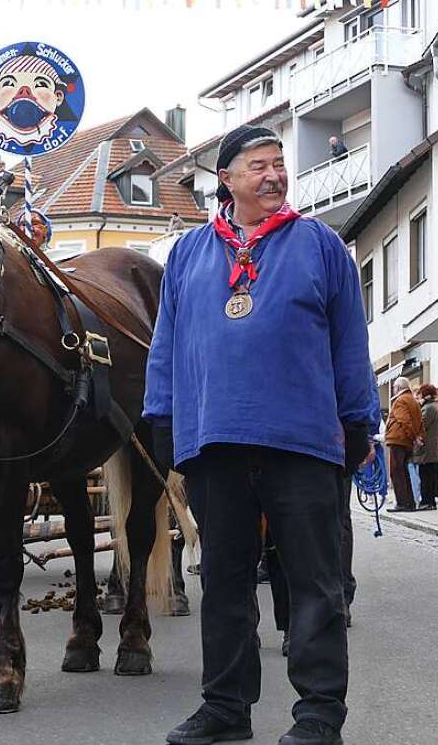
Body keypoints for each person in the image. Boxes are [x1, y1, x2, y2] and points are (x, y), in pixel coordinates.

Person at [145, 125, 374, 745]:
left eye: (279, 165)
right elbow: (166, 345)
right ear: (226, 179)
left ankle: (319, 713)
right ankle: (225, 707)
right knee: (224, 581)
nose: (274, 176)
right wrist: (162, 419)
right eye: (259, 167)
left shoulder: (321, 245)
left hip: (301, 439)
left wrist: (358, 421)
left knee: (313, 583)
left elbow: (350, 341)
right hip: (215, 441)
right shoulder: (189, 254)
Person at [386, 377, 424, 513]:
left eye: (394, 387)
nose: (393, 390)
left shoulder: (401, 400)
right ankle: (409, 503)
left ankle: (402, 503)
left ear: (398, 387)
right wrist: (417, 437)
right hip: (406, 441)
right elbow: (420, 421)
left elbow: (404, 421)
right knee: (404, 472)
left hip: (398, 439)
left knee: (396, 472)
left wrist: (413, 437)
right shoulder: (413, 400)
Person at [413, 384, 438, 511]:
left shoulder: (428, 408)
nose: (418, 396)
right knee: (428, 474)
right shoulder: (432, 407)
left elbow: (421, 425)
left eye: (420, 394)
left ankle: (427, 501)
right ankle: (429, 501)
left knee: (426, 475)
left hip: (428, 448)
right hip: (432, 447)